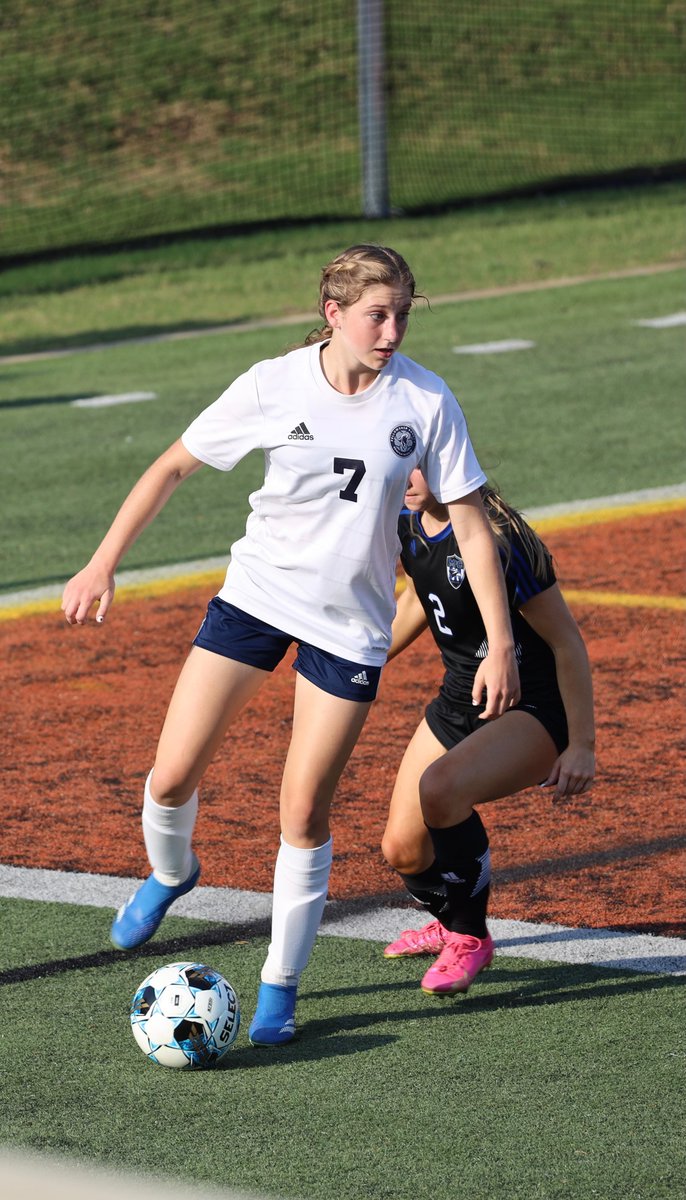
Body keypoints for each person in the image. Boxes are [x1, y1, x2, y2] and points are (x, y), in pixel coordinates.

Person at [61, 244, 520, 1046]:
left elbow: (473, 527)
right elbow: (172, 466)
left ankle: (280, 986)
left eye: (404, 313)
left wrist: (502, 642)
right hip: (258, 599)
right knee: (170, 777)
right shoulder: (274, 384)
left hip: (349, 627)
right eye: (378, 314)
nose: (393, 330)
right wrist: (102, 562)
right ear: (333, 314)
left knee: (303, 811)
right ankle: (172, 872)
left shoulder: (426, 400)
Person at [381, 469, 595, 995]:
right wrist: (359, 654)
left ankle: (469, 937)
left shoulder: (499, 538)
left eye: (419, 463)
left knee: (441, 789)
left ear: (451, 461)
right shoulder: (406, 519)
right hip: (461, 698)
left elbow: (567, 641)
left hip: (534, 705)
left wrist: (582, 745)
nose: (405, 475)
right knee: (403, 850)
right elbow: (415, 597)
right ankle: (450, 916)